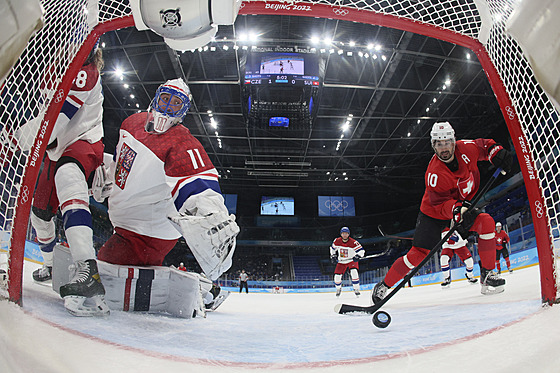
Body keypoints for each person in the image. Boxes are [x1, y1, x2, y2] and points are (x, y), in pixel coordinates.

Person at [91, 78, 238, 317]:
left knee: (107, 266)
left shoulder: (181, 141)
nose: (168, 107)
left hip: (148, 229)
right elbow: (124, 162)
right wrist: (109, 178)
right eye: (166, 98)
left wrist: (210, 213)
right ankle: (208, 289)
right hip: (127, 220)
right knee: (127, 267)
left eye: (176, 104)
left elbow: (199, 181)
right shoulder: (131, 123)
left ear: (183, 112)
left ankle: (199, 289)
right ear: (156, 96)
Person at [372, 121, 513, 302]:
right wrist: (457, 209)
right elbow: (439, 204)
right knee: (417, 255)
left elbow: (484, 146)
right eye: (439, 144)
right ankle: (384, 286)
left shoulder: (466, 149)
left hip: (460, 207)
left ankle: (487, 275)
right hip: (434, 214)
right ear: (433, 146)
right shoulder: (434, 173)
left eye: (447, 142)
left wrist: (496, 152)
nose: (444, 148)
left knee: (486, 222)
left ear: (454, 141)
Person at [28, 43, 109, 316]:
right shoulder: (53, 69)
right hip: (58, 147)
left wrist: (21, 140)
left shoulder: (86, 71)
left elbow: (58, 120)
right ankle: (50, 264)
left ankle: (88, 269)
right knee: (39, 213)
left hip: (82, 142)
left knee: (67, 175)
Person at [330, 226, 365, 297]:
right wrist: (333, 255)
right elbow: (332, 248)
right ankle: (338, 289)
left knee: (354, 273)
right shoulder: (337, 241)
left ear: (348, 234)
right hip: (341, 261)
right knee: (337, 277)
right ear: (341, 234)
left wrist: (358, 256)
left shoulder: (354, 242)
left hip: (351, 260)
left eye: (346, 233)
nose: (344, 235)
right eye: (343, 233)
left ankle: (356, 289)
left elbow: (361, 251)